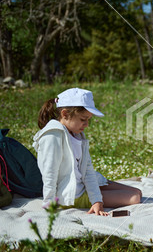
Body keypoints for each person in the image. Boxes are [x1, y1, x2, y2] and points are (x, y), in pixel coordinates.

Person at [33, 88, 142, 216]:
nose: (86, 124)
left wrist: (96, 199)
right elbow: (49, 173)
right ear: (65, 114)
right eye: (83, 119)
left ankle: (97, 192)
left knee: (138, 191)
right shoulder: (53, 136)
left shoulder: (78, 135)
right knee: (135, 197)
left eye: (88, 120)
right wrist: (49, 203)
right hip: (73, 195)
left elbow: (88, 170)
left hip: (82, 185)